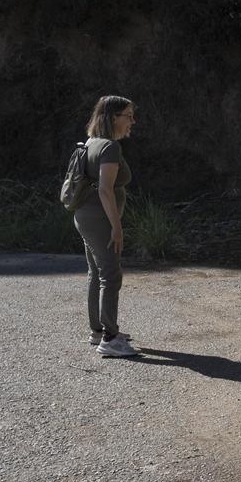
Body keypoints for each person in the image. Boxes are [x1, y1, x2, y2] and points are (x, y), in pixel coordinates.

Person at [74, 95, 139, 358]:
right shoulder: (110, 147)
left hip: (84, 216)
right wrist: (116, 226)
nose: (132, 122)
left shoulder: (92, 142)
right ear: (113, 118)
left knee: (96, 272)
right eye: (128, 116)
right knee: (111, 275)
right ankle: (110, 340)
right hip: (99, 219)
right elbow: (104, 190)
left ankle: (99, 331)